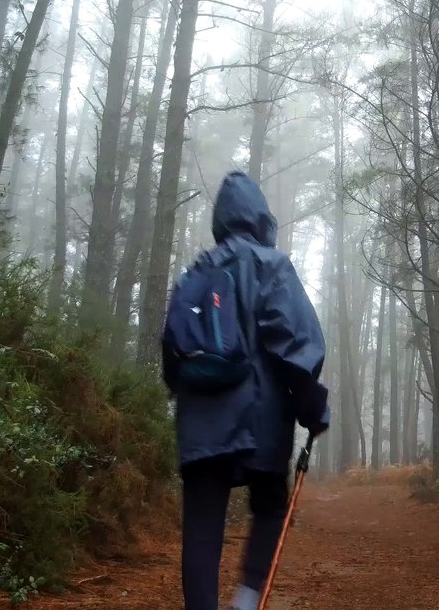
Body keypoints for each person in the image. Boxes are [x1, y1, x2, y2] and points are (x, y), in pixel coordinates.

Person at [161, 170, 331, 610]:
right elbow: (296, 344)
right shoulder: (271, 265)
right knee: (271, 506)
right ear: (261, 217)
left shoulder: (194, 272)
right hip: (261, 421)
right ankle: (245, 600)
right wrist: (313, 410)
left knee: (201, 527)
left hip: (200, 424)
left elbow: (172, 357)